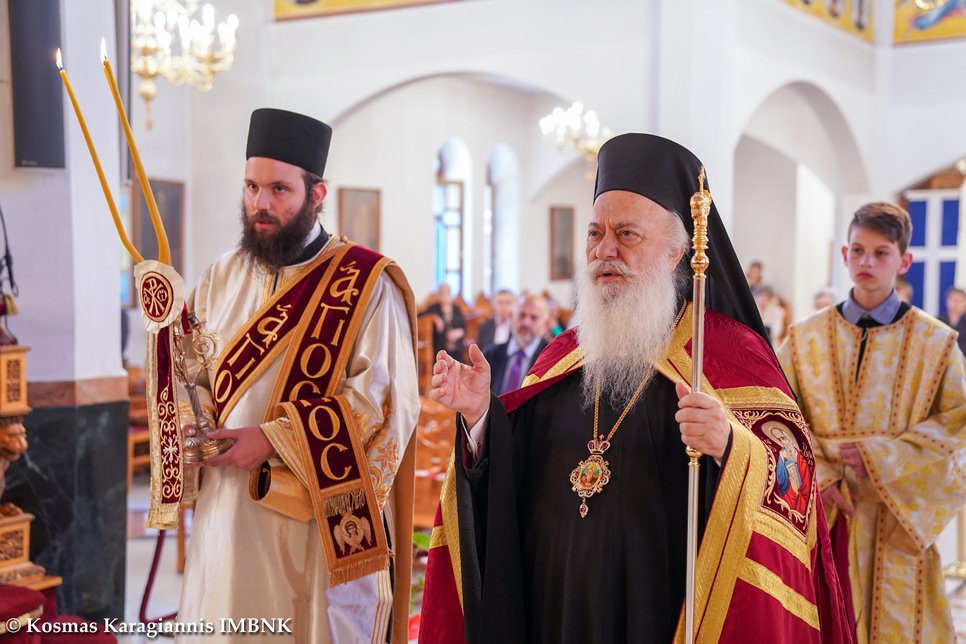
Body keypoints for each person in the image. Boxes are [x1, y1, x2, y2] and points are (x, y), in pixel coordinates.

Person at [418, 133, 852, 644]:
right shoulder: (566, 353)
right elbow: (511, 483)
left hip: (661, 608)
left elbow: (796, 484)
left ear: (676, 252)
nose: (605, 250)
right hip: (554, 608)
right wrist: (481, 420)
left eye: (627, 234)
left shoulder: (730, 355)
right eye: (595, 233)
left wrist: (731, 446)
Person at [176, 108, 420, 643]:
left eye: (279, 190)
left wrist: (271, 439)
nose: (260, 204)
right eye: (251, 187)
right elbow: (189, 370)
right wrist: (195, 422)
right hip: (225, 514)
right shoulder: (220, 276)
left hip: (312, 526)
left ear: (317, 194)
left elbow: (382, 406)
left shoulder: (366, 283)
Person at [777, 201, 966, 643]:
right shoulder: (804, 338)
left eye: (881, 253)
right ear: (845, 255)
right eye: (858, 251)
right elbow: (778, 413)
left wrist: (882, 457)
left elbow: (958, 421)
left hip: (896, 519)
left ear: (904, 261)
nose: (867, 262)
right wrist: (819, 476)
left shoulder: (936, 343)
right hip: (819, 512)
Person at [483, 294, 551, 395]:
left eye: (534, 318)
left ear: (545, 324)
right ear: (511, 317)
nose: (526, 323)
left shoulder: (551, 360)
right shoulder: (489, 355)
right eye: (521, 315)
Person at [423, 283, 467, 361]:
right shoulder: (433, 309)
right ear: (438, 295)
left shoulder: (456, 309)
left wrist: (458, 332)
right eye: (442, 293)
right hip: (440, 349)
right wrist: (435, 317)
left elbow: (463, 327)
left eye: (447, 293)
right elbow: (420, 316)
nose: (445, 296)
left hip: (457, 348)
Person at [939, 285, 966, 354]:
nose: (956, 304)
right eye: (953, 300)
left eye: (960, 301)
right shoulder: (938, 321)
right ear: (947, 301)